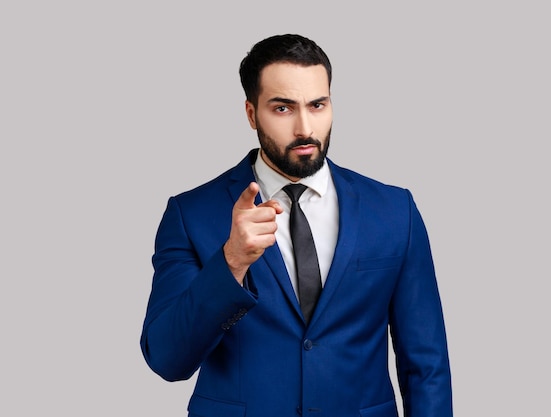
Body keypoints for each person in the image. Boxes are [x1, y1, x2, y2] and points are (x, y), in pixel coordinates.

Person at [140, 34, 453, 417]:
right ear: (252, 113)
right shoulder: (190, 214)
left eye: (317, 105)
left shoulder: (394, 211)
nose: (306, 128)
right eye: (283, 108)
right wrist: (231, 262)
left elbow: (427, 365)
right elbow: (167, 359)